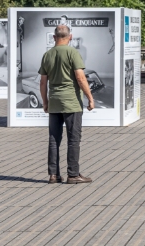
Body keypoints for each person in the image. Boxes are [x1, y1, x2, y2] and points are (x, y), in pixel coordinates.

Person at [38, 24, 95, 184]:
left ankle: (53, 175)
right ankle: (73, 174)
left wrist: (45, 102)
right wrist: (90, 97)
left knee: (54, 139)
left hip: (55, 102)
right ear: (70, 37)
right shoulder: (73, 53)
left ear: (54, 37)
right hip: (71, 102)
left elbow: (43, 83)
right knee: (73, 138)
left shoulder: (47, 55)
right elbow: (80, 78)